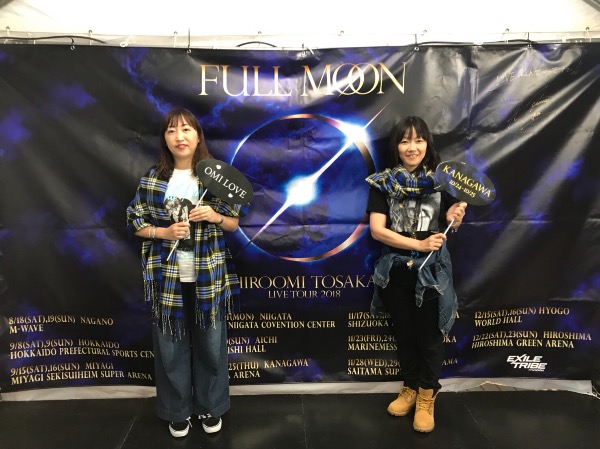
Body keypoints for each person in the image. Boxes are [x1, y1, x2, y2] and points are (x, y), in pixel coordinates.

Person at [126, 108, 246, 438]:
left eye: (186, 130)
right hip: (167, 278)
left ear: (198, 136)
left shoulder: (215, 177)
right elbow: (134, 220)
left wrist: (214, 216)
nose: (179, 137)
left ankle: (211, 406)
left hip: (208, 276)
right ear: (164, 139)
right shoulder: (153, 178)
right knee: (169, 346)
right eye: (171, 131)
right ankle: (176, 410)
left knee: (211, 344)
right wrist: (163, 233)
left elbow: (233, 223)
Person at [365, 116, 467, 433]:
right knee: (405, 334)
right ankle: (409, 387)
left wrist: (455, 215)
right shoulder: (382, 183)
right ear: (396, 147)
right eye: (405, 141)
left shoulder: (443, 183)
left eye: (419, 140)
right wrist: (418, 244)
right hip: (395, 271)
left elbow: (452, 222)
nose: (412, 147)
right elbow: (377, 231)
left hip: (432, 273)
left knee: (430, 338)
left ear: (427, 144)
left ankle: (426, 395)